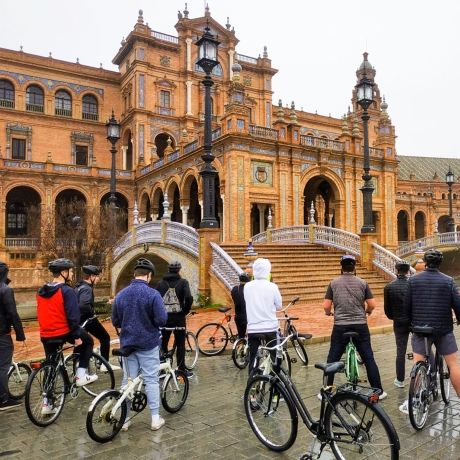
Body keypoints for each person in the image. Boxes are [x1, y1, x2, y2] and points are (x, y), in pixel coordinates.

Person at [399, 249, 460, 414]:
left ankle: (418, 397)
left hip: (420, 329)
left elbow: (406, 308)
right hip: (443, 329)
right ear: (440, 264)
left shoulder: (413, 281)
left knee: (419, 363)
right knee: (453, 365)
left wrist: (411, 324)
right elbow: (457, 305)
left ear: (425, 262)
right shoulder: (448, 281)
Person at [112, 257, 167, 431]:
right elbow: (161, 319)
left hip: (127, 344)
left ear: (135, 275)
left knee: (127, 382)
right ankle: (155, 418)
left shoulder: (121, 294)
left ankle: (125, 420)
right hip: (148, 344)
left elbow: (115, 320)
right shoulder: (153, 295)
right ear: (149, 275)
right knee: (151, 380)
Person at [323, 255, 387, 399]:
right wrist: (368, 312)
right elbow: (372, 304)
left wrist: (329, 313)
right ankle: (378, 391)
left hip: (340, 325)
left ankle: (326, 391)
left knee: (333, 358)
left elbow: (326, 306)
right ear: (354, 268)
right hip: (360, 325)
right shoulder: (362, 283)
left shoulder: (333, 283)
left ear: (342, 267)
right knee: (368, 358)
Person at [37, 258, 97, 402]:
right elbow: (73, 317)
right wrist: (76, 336)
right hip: (63, 331)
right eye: (70, 271)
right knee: (88, 342)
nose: (71, 274)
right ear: (63, 272)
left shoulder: (41, 291)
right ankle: (81, 375)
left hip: (45, 333)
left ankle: (47, 403)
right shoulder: (66, 291)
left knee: (50, 365)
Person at [75, 265, 119, 370]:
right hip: (88, 320)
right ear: (92, 276)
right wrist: (93, 313)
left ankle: (80, 367)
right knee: (105, 338)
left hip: (79, 321)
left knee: (81, 344)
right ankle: (104, 364)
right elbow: (84, 305)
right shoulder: (87, 289)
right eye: (98, 276)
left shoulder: (78, 287)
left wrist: (105, 303)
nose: (99, 279)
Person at [244, 258, 282, 375]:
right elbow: (279, 306)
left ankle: (252, 382)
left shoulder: (247, 286)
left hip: (253, 328)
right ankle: (275, 384)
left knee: (253, 357)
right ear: (268, 271)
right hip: (270, 328)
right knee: (274, 357)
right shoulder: (272, 286)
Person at [156, 261, 193, 377]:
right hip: (179, 319)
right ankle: (181, 370)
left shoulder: (161, 283)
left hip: (164, 319)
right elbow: (188, 297)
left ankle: (162, 369)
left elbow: (155, 299)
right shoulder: (183, 282)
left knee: (163, 343)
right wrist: (185, 311)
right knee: (180, 344)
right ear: (179, 270)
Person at [0, 262, 25, 411]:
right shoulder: (5, 290)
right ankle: (3, 400)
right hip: (2, 335)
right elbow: (12, 314)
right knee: (3, 367)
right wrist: (20, 334)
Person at [384, 261, 411, 388]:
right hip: (414, 320)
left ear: (396, 270)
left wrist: (394, 317)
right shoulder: (412, 285)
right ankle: (432, 371)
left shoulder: (389, 287)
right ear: (408, 271)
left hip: (399, 322)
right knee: (423, 347)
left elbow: (387, 310)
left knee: (400, 351)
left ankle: (400, 380)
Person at [231, 272, 250, 339]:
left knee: (241, 336)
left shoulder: (235, 289)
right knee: (251, 336)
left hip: (238, 316)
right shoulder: (249, 289)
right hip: (247, 317)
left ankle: (240, 346)